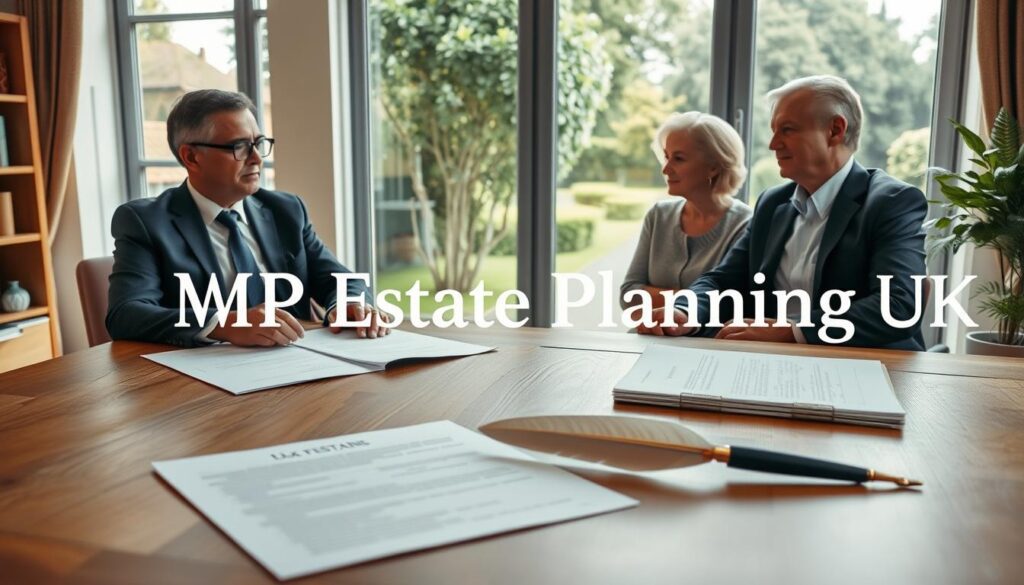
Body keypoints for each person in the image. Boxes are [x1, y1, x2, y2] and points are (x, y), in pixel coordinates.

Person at [638, 75, 927, 350]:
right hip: (773, 360)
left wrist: (793, 331)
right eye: (774, 131)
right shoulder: (772, 203)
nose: (773, 144)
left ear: (835, 131)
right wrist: (684, 310)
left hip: (864, 365)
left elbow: (898, 306)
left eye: (787, 130)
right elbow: (724, 280)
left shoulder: (893, 202)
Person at [107, 89, 389, 348]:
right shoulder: (145, 221)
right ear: (191, 157)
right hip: (208, 373)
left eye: (259, 143)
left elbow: (339, 279)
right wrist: (225, 323)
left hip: (304, 358)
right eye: (239, 146)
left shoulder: (286, 210)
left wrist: (349, 304)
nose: (256, 158)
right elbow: (126, 313)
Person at [620, 112, 752, 311]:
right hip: (648, 331)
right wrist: (694, 297)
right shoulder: (658, 215)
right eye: (666, 157)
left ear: (713, 167)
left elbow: (728, 305)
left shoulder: (745, 224)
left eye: (679, 159)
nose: (665, 169)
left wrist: (655, 295)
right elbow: (629, 295)